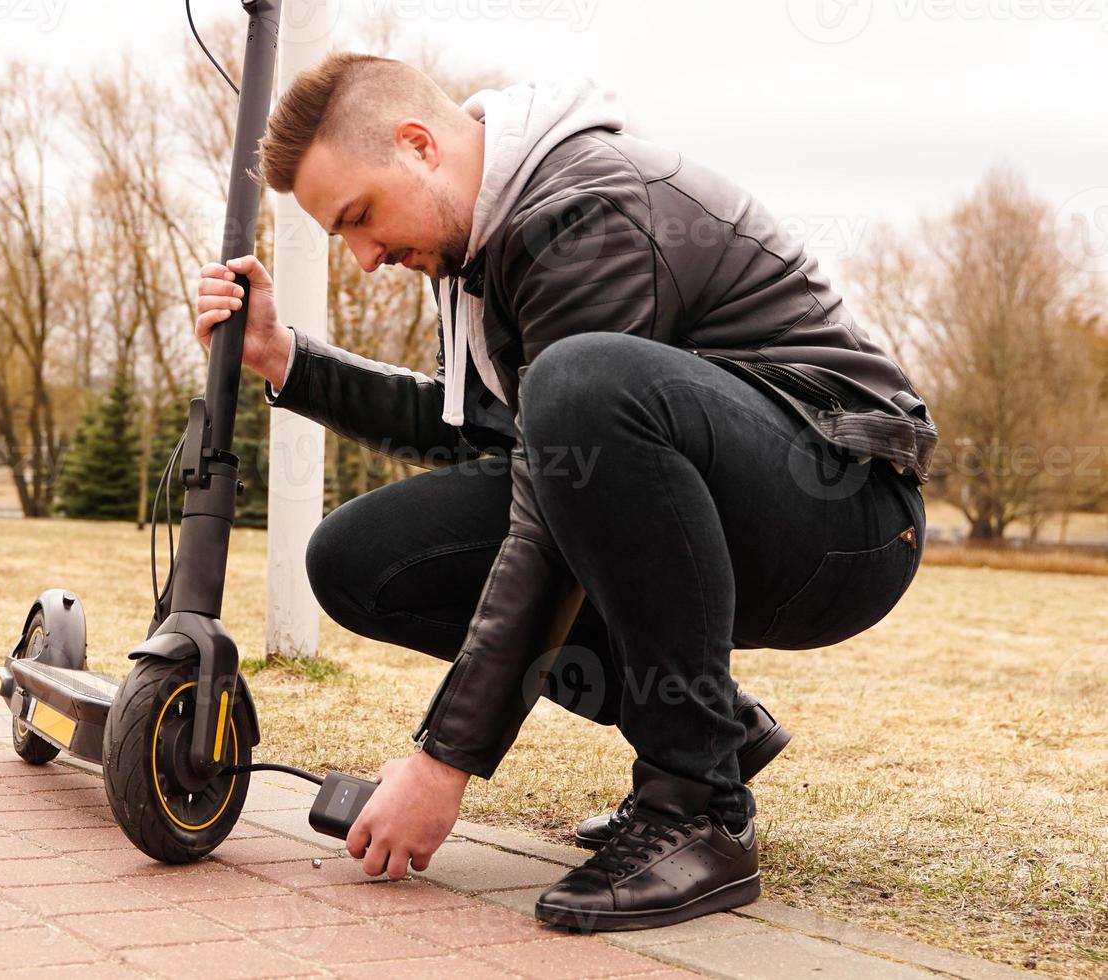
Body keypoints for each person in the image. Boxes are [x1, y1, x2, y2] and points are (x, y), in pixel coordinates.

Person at [193, 52, 934, 931]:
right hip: (710, 496)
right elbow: (487, 433)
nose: (363, 258)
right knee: (360, 560)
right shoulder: (480, 249)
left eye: (359, 217)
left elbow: (555, 480)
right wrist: (290, 363)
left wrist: (441, 764)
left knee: (581, 387)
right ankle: (713, 728)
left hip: (842, 511)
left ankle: (696, 807)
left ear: (420, 146)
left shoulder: (582, 209)